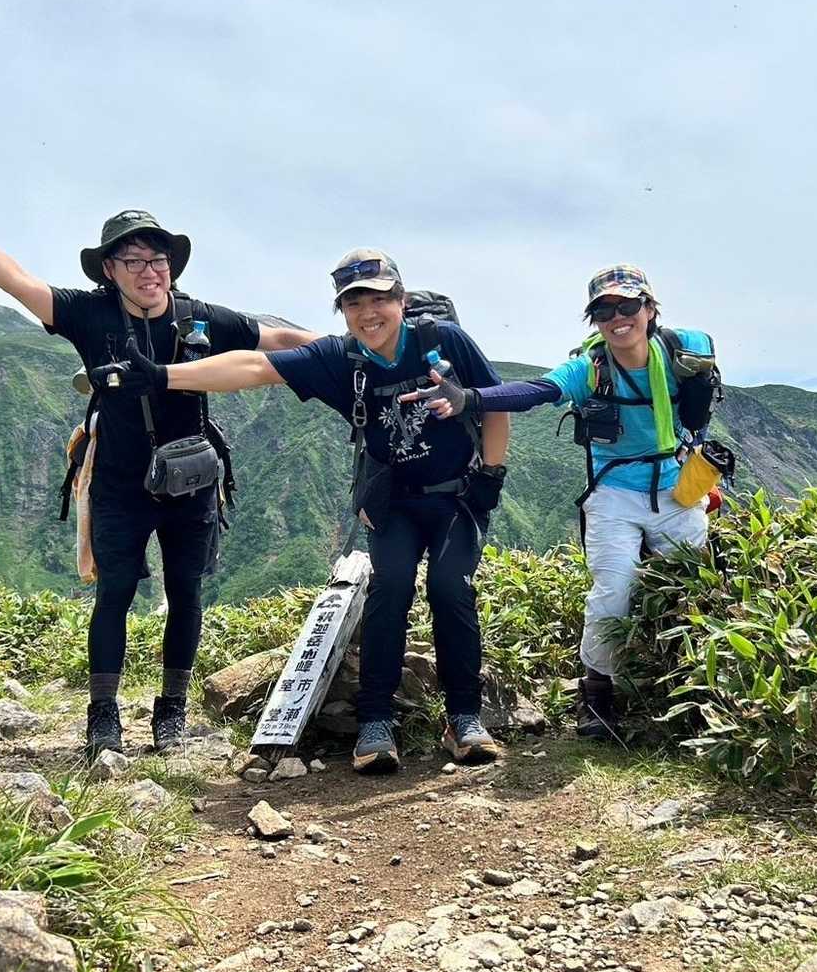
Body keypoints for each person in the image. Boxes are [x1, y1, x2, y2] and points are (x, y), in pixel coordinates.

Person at [0, 172, 317, 760]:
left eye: (158, 260)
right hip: (119, 484)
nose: (150, 271)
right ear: (109, 270)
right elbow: (13, 279)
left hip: (192, 480)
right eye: (133, 261)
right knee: (115, 594)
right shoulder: (88, 314)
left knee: (186, 593)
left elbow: (279, 339)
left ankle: (172, 712)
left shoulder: (200, 319)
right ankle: (103, 717)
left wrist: (361, 349)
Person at [89, 249, 512, 774]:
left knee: (451, 589)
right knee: (390, 590)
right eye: (354, 303)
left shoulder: (444, 342)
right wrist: (164, 376)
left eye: (380, 299)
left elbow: (495, 402)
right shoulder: (341, 358)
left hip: (456, 495)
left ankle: (464, 717)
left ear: (401, 301)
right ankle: (375, 722)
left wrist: (491, 476)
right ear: (342, 310)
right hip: (394, 500)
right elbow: (253, 367)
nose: (368, 313)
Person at [402, 265, 719, 743]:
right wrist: (469, 398)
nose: (618, 318)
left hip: (678, 487)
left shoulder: (682, 356)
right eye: (604, 311)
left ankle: (693, 692)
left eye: (628, 306)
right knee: (614, 590)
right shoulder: (589, 368)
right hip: (614, 492)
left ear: (650, 309)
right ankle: (596, 693)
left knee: (693, 587)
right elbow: (536, 391)